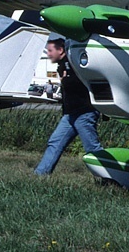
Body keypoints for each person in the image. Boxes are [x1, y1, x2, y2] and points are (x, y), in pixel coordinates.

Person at [34, 38, 102, 175]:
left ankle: (108, 176)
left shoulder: (73, 63)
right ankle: (40, 174)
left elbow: (81, 83)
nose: (48, 54)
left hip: (84, 112)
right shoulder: (62, 66)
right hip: (70, 114)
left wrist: (66, 80)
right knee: (55, 142)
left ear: (60, 50)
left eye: (50, 51)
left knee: (92, 147)